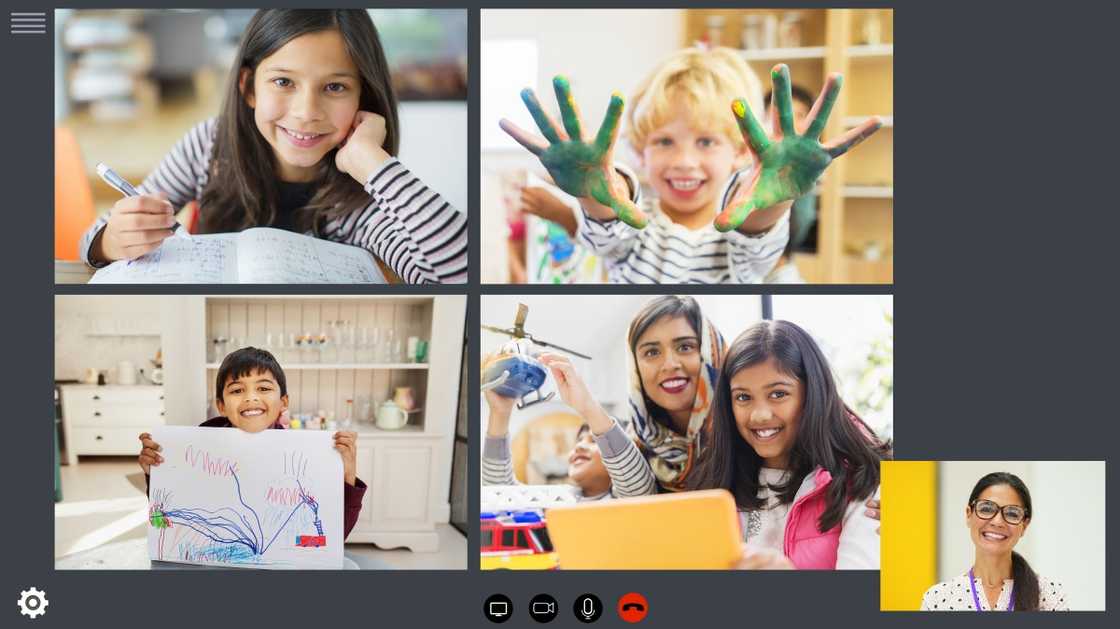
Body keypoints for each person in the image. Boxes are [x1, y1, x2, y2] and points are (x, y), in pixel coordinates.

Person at [80, 9, 466, 284]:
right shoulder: (207, 146)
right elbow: (90, 241)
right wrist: (113, 239)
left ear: (363, 97)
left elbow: (455, 275)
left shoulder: (362, 198)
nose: (306, 112)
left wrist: (373, 164)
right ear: (248, 87)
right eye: (284, 82)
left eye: (335, 87)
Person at [499, 47, 881, 283]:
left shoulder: (735, 235)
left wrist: (775, 200)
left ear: (740, 152)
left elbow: (755, 240)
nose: (684, 161)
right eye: (664, 141)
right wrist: (592, 194)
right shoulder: (635, 225)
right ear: (640, 154)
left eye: (706, 142)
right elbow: (610, 227)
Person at [689, 320, 890, 569]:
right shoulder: (711, 488)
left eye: (778, 394)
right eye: (743, 397)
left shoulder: (865, 484)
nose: (759, 415)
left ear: (811, 395)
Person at [137, 347, 366, 539]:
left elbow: (334, 536)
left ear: (283, 401)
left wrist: (348, 475)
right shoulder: (197, 450)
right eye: (237, 390)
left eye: (264, 388)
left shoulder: (305, 457)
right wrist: (156, 475)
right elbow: (170, 519)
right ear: (222, 405)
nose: (251, 397)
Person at [920, 472, 1069, 611]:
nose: (997, 522)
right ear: (968, 515)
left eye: (1012, 513)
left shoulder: (1050, 596)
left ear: (1024, 525)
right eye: (986, 509)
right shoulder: (938, 600)